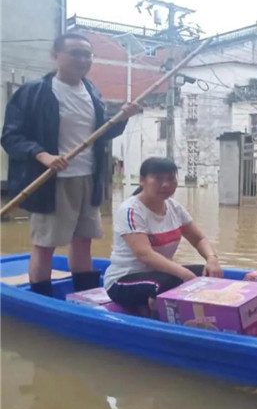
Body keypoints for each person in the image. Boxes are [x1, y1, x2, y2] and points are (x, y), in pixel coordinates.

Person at [1, 33, 141, 296]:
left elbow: (101, 134)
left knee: (83, 241)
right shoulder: (34, 92)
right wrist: (43, 156)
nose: (83, 59)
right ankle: (42, 299)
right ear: (56, 56)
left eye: (87, 54)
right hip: (52, 181)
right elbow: (11, 136)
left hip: (89, 178)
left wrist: (121, 118)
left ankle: (86, 297)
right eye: (75, 53)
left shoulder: (92, 93)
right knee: (46, 244)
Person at [104, 157, 223, 315]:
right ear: (142, 181)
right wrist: (184, 274)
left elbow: (199, 239)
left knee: (208, 273)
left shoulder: (174, 207)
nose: (166, 184)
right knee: (167, 282)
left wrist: (212, 259)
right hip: (123, 281)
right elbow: (145, 254)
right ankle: (155, 315)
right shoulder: (131, 210)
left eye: (170, 179)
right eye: (158, 178)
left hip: (160, 275)